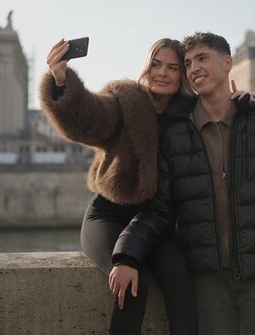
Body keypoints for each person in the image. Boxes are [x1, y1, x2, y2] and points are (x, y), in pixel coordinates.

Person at [111, 32, 255, 335]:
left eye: (202, 58)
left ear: (228, 62)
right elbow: (160, 210)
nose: (193, 68)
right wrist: (127, 254)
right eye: (188, 63)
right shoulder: (176, 135)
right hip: (206, 286)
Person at [39, 38, 199, 335]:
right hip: (108, 215)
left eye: (173, 67)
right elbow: (90, 117)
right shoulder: (126, 100)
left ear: (183, 75)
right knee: (131, 279)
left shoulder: (191, 114)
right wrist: (61, 82)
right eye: (156, 64)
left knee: (180, 277)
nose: (162, 72)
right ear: (147, 67)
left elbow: (223, 116)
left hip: (155, 220)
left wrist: (243, 103)